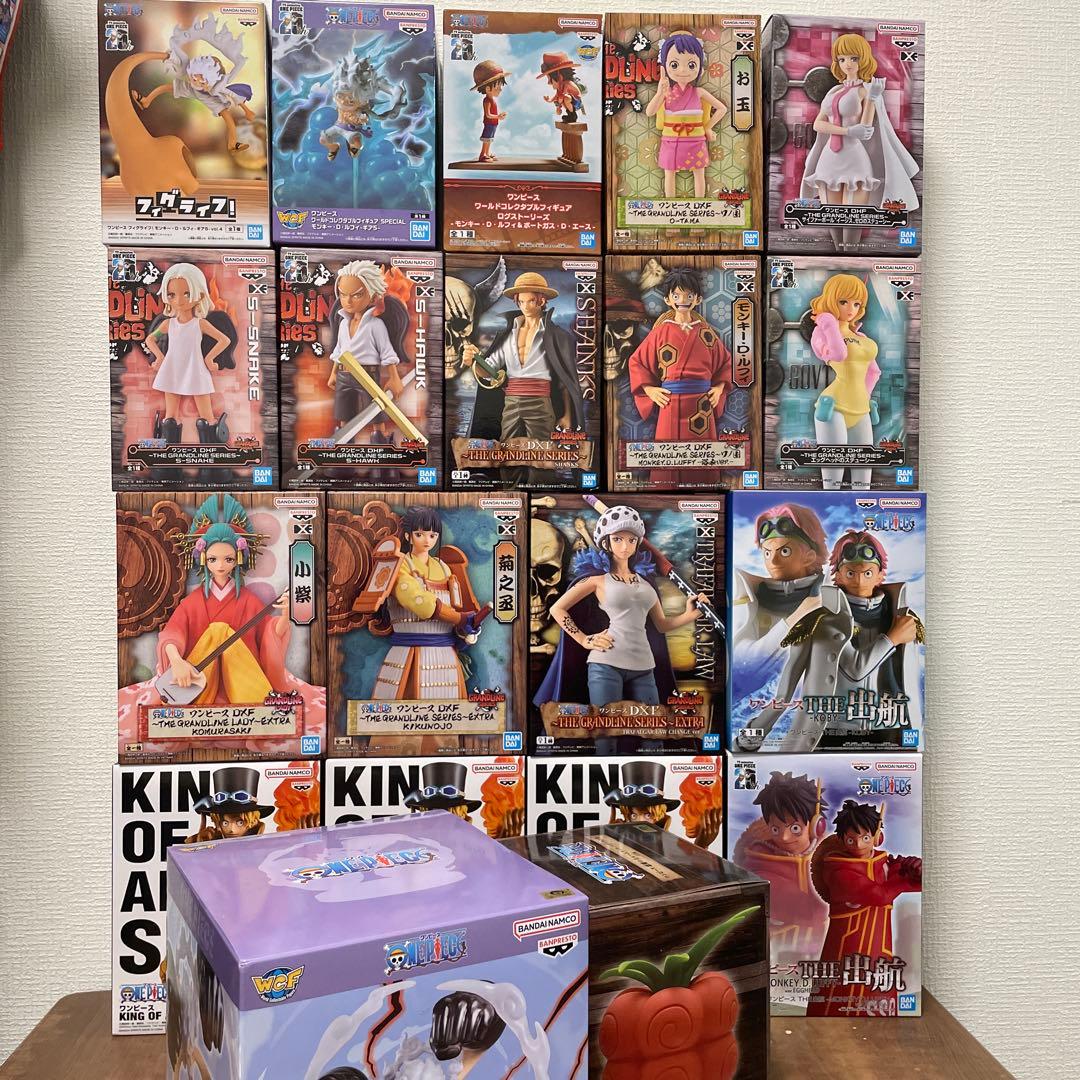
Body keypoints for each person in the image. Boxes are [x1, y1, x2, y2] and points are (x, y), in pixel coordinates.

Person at [535, 504, 705, 753]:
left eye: (631, 540)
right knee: (606, 737)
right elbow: (557, 609)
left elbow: (661, 625)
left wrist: (690, 615)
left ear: (637, 543)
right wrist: (583, 639)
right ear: (606, 542)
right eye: (618, 539)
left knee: (653, 736)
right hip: (606, 664)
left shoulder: (646, 585)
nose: (625, 546)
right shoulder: (597, 581)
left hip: (644, 667)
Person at [366, 506, 483, 753]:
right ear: (409, 536)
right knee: (400, 724)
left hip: (445, 657)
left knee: (444, 724)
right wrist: (459, 618)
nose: (427, 540)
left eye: (432, 535)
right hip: (407, 655)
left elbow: (458, 605)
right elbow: (418, 601)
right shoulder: (399, 565)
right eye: (420, 534)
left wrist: (467, 629)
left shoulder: (445, 568)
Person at [157, 494, 292, 706]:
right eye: (213, 559)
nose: (220, 565)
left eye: (228, 559)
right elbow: (172, 634)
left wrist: (285, 615)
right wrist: (176, 661)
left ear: (237, 559)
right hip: (200, 682)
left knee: (221, 630)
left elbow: (269, 633)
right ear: (203, 559)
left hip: (241, 684)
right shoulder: (193, 602)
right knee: (218, 629)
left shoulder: (249, 601)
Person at [463, 270, 585, 486]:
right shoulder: (508, 336)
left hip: (540, 401)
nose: (525, 306)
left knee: (542, 458)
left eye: (531, 301)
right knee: (509, 455)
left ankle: (540, 495)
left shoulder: (557, 336)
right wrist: (474, 360)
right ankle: (511, 494)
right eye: (521, 301)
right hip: (511, 402)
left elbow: (564, 381)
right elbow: (489, 370)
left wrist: (566, 415)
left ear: (542, 301)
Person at [800, 32, 920, 250]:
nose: (847, 64)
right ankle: (839, 257)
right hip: (830, 158)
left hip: (855, 158)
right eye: (842, 59)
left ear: (863, 59)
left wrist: (873, 98)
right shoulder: (834, 90)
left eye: (853, 58)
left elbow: (865, 129)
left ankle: (851, 255)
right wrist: (847, 130)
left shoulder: (867, 91)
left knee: (853, 217)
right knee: (833, 216)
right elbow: (818, 124)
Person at [807, 800, 922, 1016]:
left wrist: (916, 870)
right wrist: (902, 878)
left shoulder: (882, 861)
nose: (858, 845)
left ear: (877, 837)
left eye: (865, 838)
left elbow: (914, 883)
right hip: (847, 944)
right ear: (842, 839)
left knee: (878, 998)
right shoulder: (838, 870)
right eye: (851, 839)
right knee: (837, 1000)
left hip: (878, 944)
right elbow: (880, 895)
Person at [628, 267, 731, 487]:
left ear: (698, 299)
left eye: (688, 295)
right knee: (669, 461)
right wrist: (649, 390)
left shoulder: (706, 332)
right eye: (676, 295)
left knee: (702, 461)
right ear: (667, 299)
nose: (682, 300)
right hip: (671, 403)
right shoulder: (660, 332)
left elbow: (725, 362)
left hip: (702, 405)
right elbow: (637, 362)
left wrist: (719, 388)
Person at [734, 771, 829, 959]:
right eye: (775, 829)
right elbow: (811, 910)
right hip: (777, 955)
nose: (784, 837)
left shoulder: (827, 854)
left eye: (795, 828)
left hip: (823, 955)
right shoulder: (760, 864)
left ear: (816, 825)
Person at [645, 31, 726, 198]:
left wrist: (707, 128)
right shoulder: (666, 93)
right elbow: (650, 112)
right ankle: (670, 205)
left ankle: (699, 204)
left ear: (700, 68)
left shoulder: (699, 92)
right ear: (665, 67)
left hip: (695, 141)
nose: (682, 70)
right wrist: (660, 93)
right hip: (671, 140)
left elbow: (722, 109)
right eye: (674, 65)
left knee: (699, 173)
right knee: (669, 174)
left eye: (691, 65)